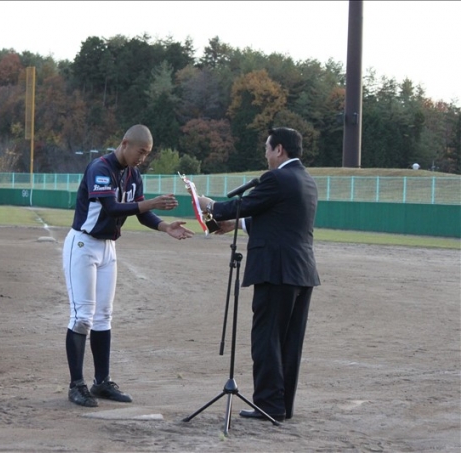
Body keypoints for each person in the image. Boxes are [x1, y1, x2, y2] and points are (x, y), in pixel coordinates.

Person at [63, 124, 194, 407]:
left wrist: (164, 226)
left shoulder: (133, 175)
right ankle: (76, 385)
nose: (143, 158)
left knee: (103, 317)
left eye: (147, 153)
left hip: (108, 248)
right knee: (82, 317)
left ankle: (102, 382)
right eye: (141, 151)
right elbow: (112, 208)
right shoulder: (100, 168)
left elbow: (141, 214)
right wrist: (151, 203)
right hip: (84, 245)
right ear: (125, 144)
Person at [198, 127, 320, 422]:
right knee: (289, 342)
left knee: (267, 339)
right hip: (301, 272)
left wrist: (209, 206)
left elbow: (245, 204)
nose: (265, 155)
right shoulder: (306, 180)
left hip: (276, 272)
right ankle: (281, 405)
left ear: (279, 149)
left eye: (267, 148)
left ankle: (267, 403)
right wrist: (237, 224)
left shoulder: (277, 178)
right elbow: (277, 220)